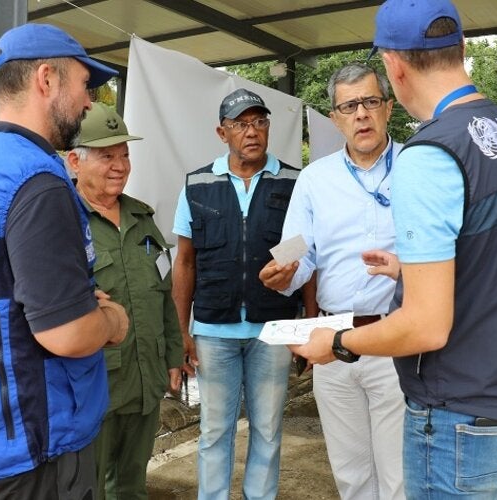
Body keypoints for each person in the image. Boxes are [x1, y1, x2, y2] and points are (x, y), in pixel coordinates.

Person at [293, 1, 497, 498]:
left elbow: (427, 326)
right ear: (461, 49)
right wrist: (408, 271)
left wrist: (337, 343)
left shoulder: (431, 154)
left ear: (394, 66)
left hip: (459, 408)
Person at [0, 23, 128, 499]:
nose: (88, 102)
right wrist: (110, 320)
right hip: (37, 446)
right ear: (46, 80)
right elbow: (68, 333)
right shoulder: (37, 181)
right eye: (84, 85)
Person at [259, 63, 405, 500]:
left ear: (388, 108)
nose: (361, 114)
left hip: (395, 337)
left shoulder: (419, 168)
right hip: (331, 339)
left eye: (370, 102)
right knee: (351, 472)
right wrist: (281, 274)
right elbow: (297, 254)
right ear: (335, 117)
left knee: (400, 475)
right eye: (349, 106)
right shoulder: (314, 179)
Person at [171, 88, 302, 499]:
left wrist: (308, 323)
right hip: (213, 330)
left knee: (267, 429)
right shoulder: (197, 184)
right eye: (241, 124)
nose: (252, 132)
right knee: (214, 431)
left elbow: (305, 254)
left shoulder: (293, 182)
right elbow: (185, 263)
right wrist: (181, 331)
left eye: (259, 122)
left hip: (274, 329)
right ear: (221, 132)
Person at [65, 103, 184, 500]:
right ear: (74, 162)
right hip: (92, 384)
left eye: (124, 155)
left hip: (145, 378)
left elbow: (163, 295)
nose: (119, 165)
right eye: (106, 156)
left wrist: (171, 357)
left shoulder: (142, 218)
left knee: (132, 484)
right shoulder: (62, 220)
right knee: (89, 486)